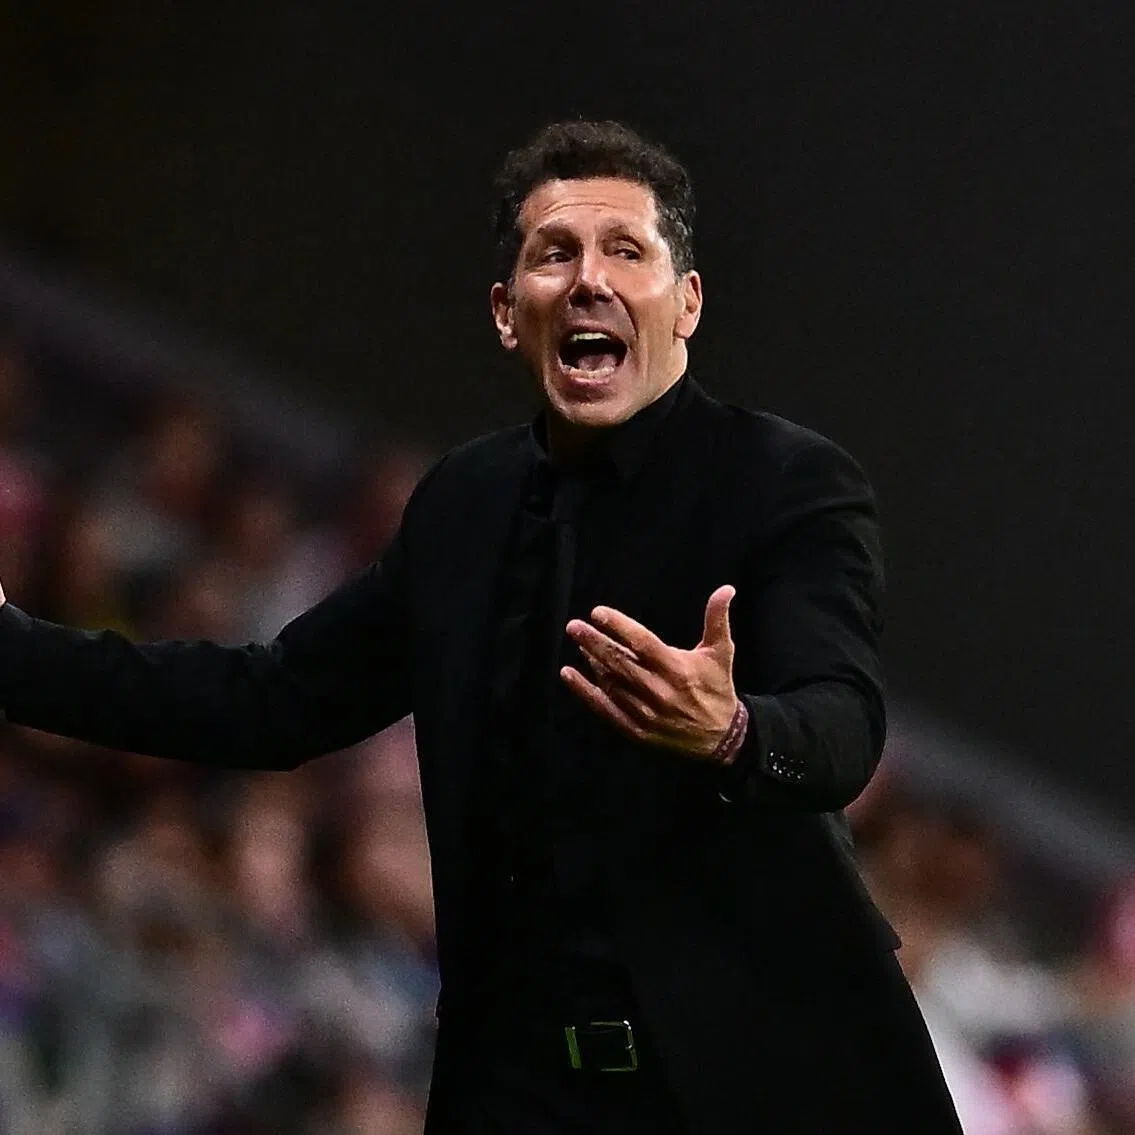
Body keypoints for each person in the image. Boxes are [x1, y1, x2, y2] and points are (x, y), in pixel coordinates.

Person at [0, 120, 962, 1133]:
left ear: (686, 304)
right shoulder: (464, 505)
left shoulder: (786, 483)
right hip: (520, 1097)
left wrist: (732, 731)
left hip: (765, 1092)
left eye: (625, 250)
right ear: (508, 314)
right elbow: (271, 701)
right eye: (554, 252)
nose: (588, 277)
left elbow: (842, 722)